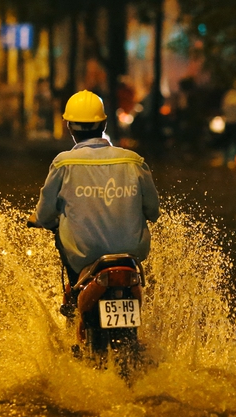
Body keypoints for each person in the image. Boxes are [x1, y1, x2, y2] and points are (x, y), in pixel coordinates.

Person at [28, 90, 160, 313]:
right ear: (105, 123)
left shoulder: (63, 164)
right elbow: (153, 210)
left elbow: (45, 213)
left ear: (69, 126)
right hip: (132, 254)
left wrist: (38, 220)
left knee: (61, 234)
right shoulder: (133, 161)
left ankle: (75, 296)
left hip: (83, 257)